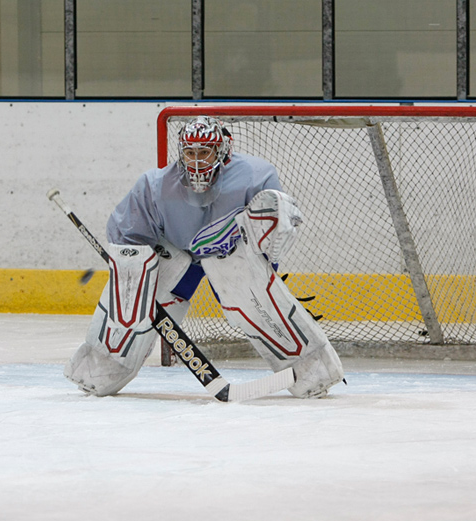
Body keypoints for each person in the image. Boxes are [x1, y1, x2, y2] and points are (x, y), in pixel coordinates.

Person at [65, 115, 344, 399]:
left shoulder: (254, 176)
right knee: (131, 305)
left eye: (204, 152)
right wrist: (132, 274)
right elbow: (130, 236)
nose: (196, 160)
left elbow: (273, 236)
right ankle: (98, 371)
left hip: (229, 256)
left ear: (221, 151)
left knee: (252, 298)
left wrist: (259, 264)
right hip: (175, 253)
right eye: (190, 152)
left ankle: (313, 372)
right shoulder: (155, 185)